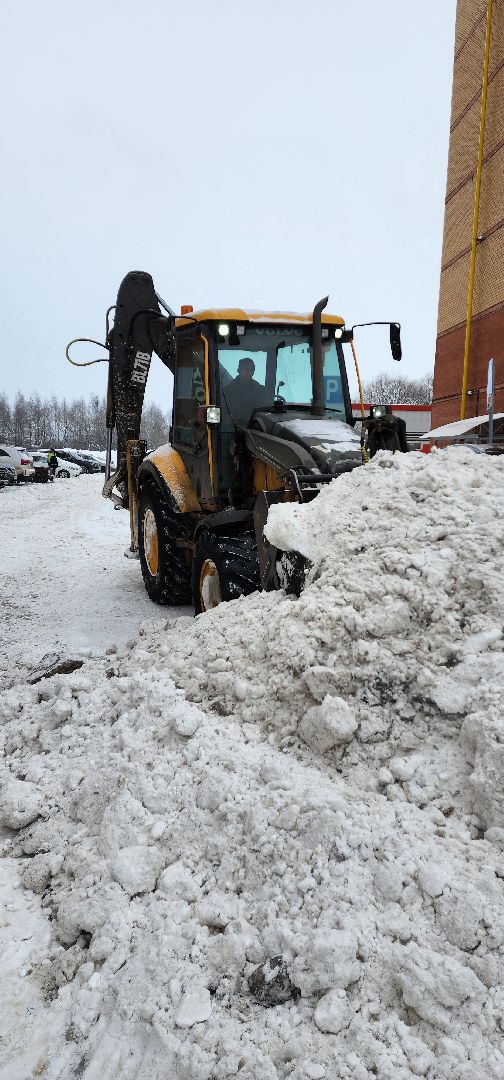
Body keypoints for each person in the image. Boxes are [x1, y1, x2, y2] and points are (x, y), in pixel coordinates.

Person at [223, 357, 269, 427]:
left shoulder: (259, 389)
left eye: (252, 370)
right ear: (238, 370)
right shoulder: (229, 390)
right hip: (234, 428)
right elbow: (225, 413)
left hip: (254, 425)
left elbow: (264, 407)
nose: (250, 373)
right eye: (247, 369)